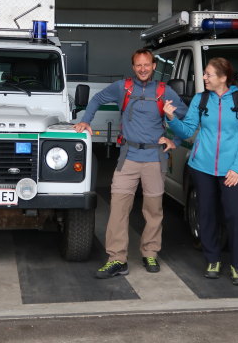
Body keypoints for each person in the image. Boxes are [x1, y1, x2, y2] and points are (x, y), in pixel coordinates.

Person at [73, 48, 187, 278]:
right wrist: (85, 121)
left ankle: (150, 252)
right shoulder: (122, 87)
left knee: (153, 209)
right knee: (118, 209)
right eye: (138, 65)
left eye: (147, 65)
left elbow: (187, 117)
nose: (143, 69)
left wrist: (174, 140)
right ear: (133, 67)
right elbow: (96, 99)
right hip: (128, 157)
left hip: (155, 158)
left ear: (154, 66)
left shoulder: (166, 91)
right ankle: (117, 259)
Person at [164, 57, 238, 285]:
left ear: (223, 78)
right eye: (204, 74)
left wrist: (237, 168)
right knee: (207, 214)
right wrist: (172, 118)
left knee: (234, 216)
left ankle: (237, 265)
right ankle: (212, 259)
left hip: (231, 170)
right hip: (202, 167)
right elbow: (187, 131)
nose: (204, 77)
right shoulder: (200, 99)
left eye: (208, 74)